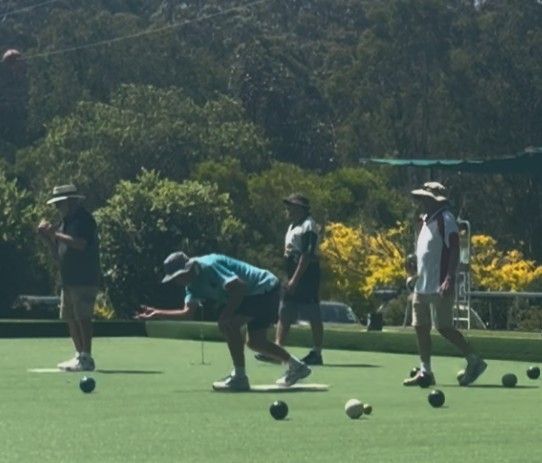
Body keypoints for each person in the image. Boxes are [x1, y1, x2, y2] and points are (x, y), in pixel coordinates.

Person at [136, 252, 311, 391]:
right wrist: (157, 313)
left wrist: (226, 314)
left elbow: (239, 287)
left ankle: (240, 377)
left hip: (264, 288)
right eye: (174, 278)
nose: (178, 281)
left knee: (229, 324)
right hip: (254, 294)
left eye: (178, 276)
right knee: (256, 342)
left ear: (188, 268)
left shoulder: (209, 266)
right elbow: (188, 313)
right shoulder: (191, 285)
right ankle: (297, 366)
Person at [403, 181, 487, 387]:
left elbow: (454, 250)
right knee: (420, 326)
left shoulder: (446, 219)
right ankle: (426, 371)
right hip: (422, 284)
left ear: (434, 200)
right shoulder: (425, 221)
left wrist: (449, 277)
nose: (422, 201)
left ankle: (474, 360)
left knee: (444, 327)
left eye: (426, 198)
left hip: (439, 283)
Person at [37, 184, 101, 372]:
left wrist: (54, 233)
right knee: (70, 317)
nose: (57, 208)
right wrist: (47, 239)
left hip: (85, 278)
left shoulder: (84, 220)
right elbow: (58, 254)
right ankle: (79, 355)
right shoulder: (65, 222)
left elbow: (80, 244)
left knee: (83, 317)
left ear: (70, 201)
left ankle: (87, 356)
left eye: (59, 204)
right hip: (68, 279)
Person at [256, 193, 324, 365]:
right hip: (292, 272)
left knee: (312, 312)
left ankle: (317, 352)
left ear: (301, 208)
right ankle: (278, 349)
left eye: (291, 206)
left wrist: (295, 279)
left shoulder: (309, 225)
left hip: (306, 275)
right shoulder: (292, 226)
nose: (288, 209)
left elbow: (306, 254)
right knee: (285, 310)